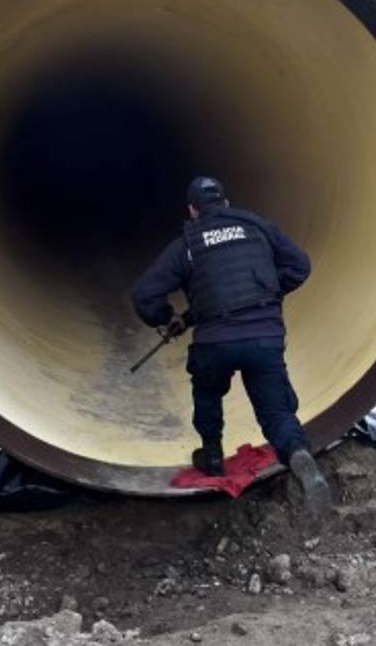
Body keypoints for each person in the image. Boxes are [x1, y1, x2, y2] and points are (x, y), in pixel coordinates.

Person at [132, 176, 332, 519]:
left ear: (192, 210)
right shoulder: (257, 227)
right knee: (276, 411)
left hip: (215, 344)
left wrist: (164, 318)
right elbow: (300, 266)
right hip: (264, 339)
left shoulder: (187, 244)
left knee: (208, 392)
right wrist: (267, 295)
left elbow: (145, 294)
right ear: (225, 203)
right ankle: (299, 455)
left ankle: (212, 457)